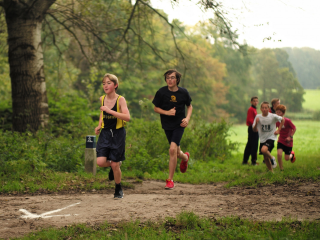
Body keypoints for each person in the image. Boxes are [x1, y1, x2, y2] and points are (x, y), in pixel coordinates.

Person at [152, 69, 193, 189]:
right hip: (166, 125)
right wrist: (167, 112)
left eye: (172, 77)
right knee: (176, 151)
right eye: (168, 78)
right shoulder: (161, 92)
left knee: (172, 150)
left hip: (179, 125)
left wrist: (187, 119)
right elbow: (156, 108)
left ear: (177, 80)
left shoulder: (183, 92)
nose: (169, 80)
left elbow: (189, 106)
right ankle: (185, 157)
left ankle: (170, 180)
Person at [95, 73, 130, 199]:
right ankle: (115, 164)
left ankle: (118, 188)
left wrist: (110, 111)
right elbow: (102, 113)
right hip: (105, 133)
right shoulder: (102, 99)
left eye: (108, 83)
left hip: (118, 133)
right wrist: (99, 125)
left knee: (115, 164)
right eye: (104, 83)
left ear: (115, 85)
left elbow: (127, 117)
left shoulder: (121, 99)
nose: (105, 85)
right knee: (100, 162)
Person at [253, 102, 284, 172]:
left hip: (271, 137)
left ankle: (272, 158)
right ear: (260, 109)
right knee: (265, 157)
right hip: (262, 139)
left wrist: (278, 130)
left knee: (263, 150)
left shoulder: (272, 116)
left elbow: (282, 119)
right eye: (263, 108)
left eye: (266, 108)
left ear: (268, 109)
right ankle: (271, 171)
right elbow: (254, 130)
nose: (264, 109)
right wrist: (256, 124)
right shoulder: (258, 117)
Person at [275, 104, 296, 171]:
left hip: (288, 141)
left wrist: (290, 137)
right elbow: (275, 129)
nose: (278, 114)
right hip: (281, 140)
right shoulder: (276, 121)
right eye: (277, 112)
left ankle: (291, 155)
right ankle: (281, 168)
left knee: (286, 158)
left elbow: (294, 128)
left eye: (279, 112)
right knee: (279, 154)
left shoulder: (287, 121)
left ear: (283, 113)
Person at [242, 96, 259, 165]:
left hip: (253, 128)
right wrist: (255, 127)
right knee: (254, 145)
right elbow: (250, 120)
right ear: (251, 102)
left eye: (256, 101)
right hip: (253, 129)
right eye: (254, 101)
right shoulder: (251, 109)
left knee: (250, 144)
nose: (255, 102)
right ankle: (253, 161)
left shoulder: (254, 109)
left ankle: (245, 161)